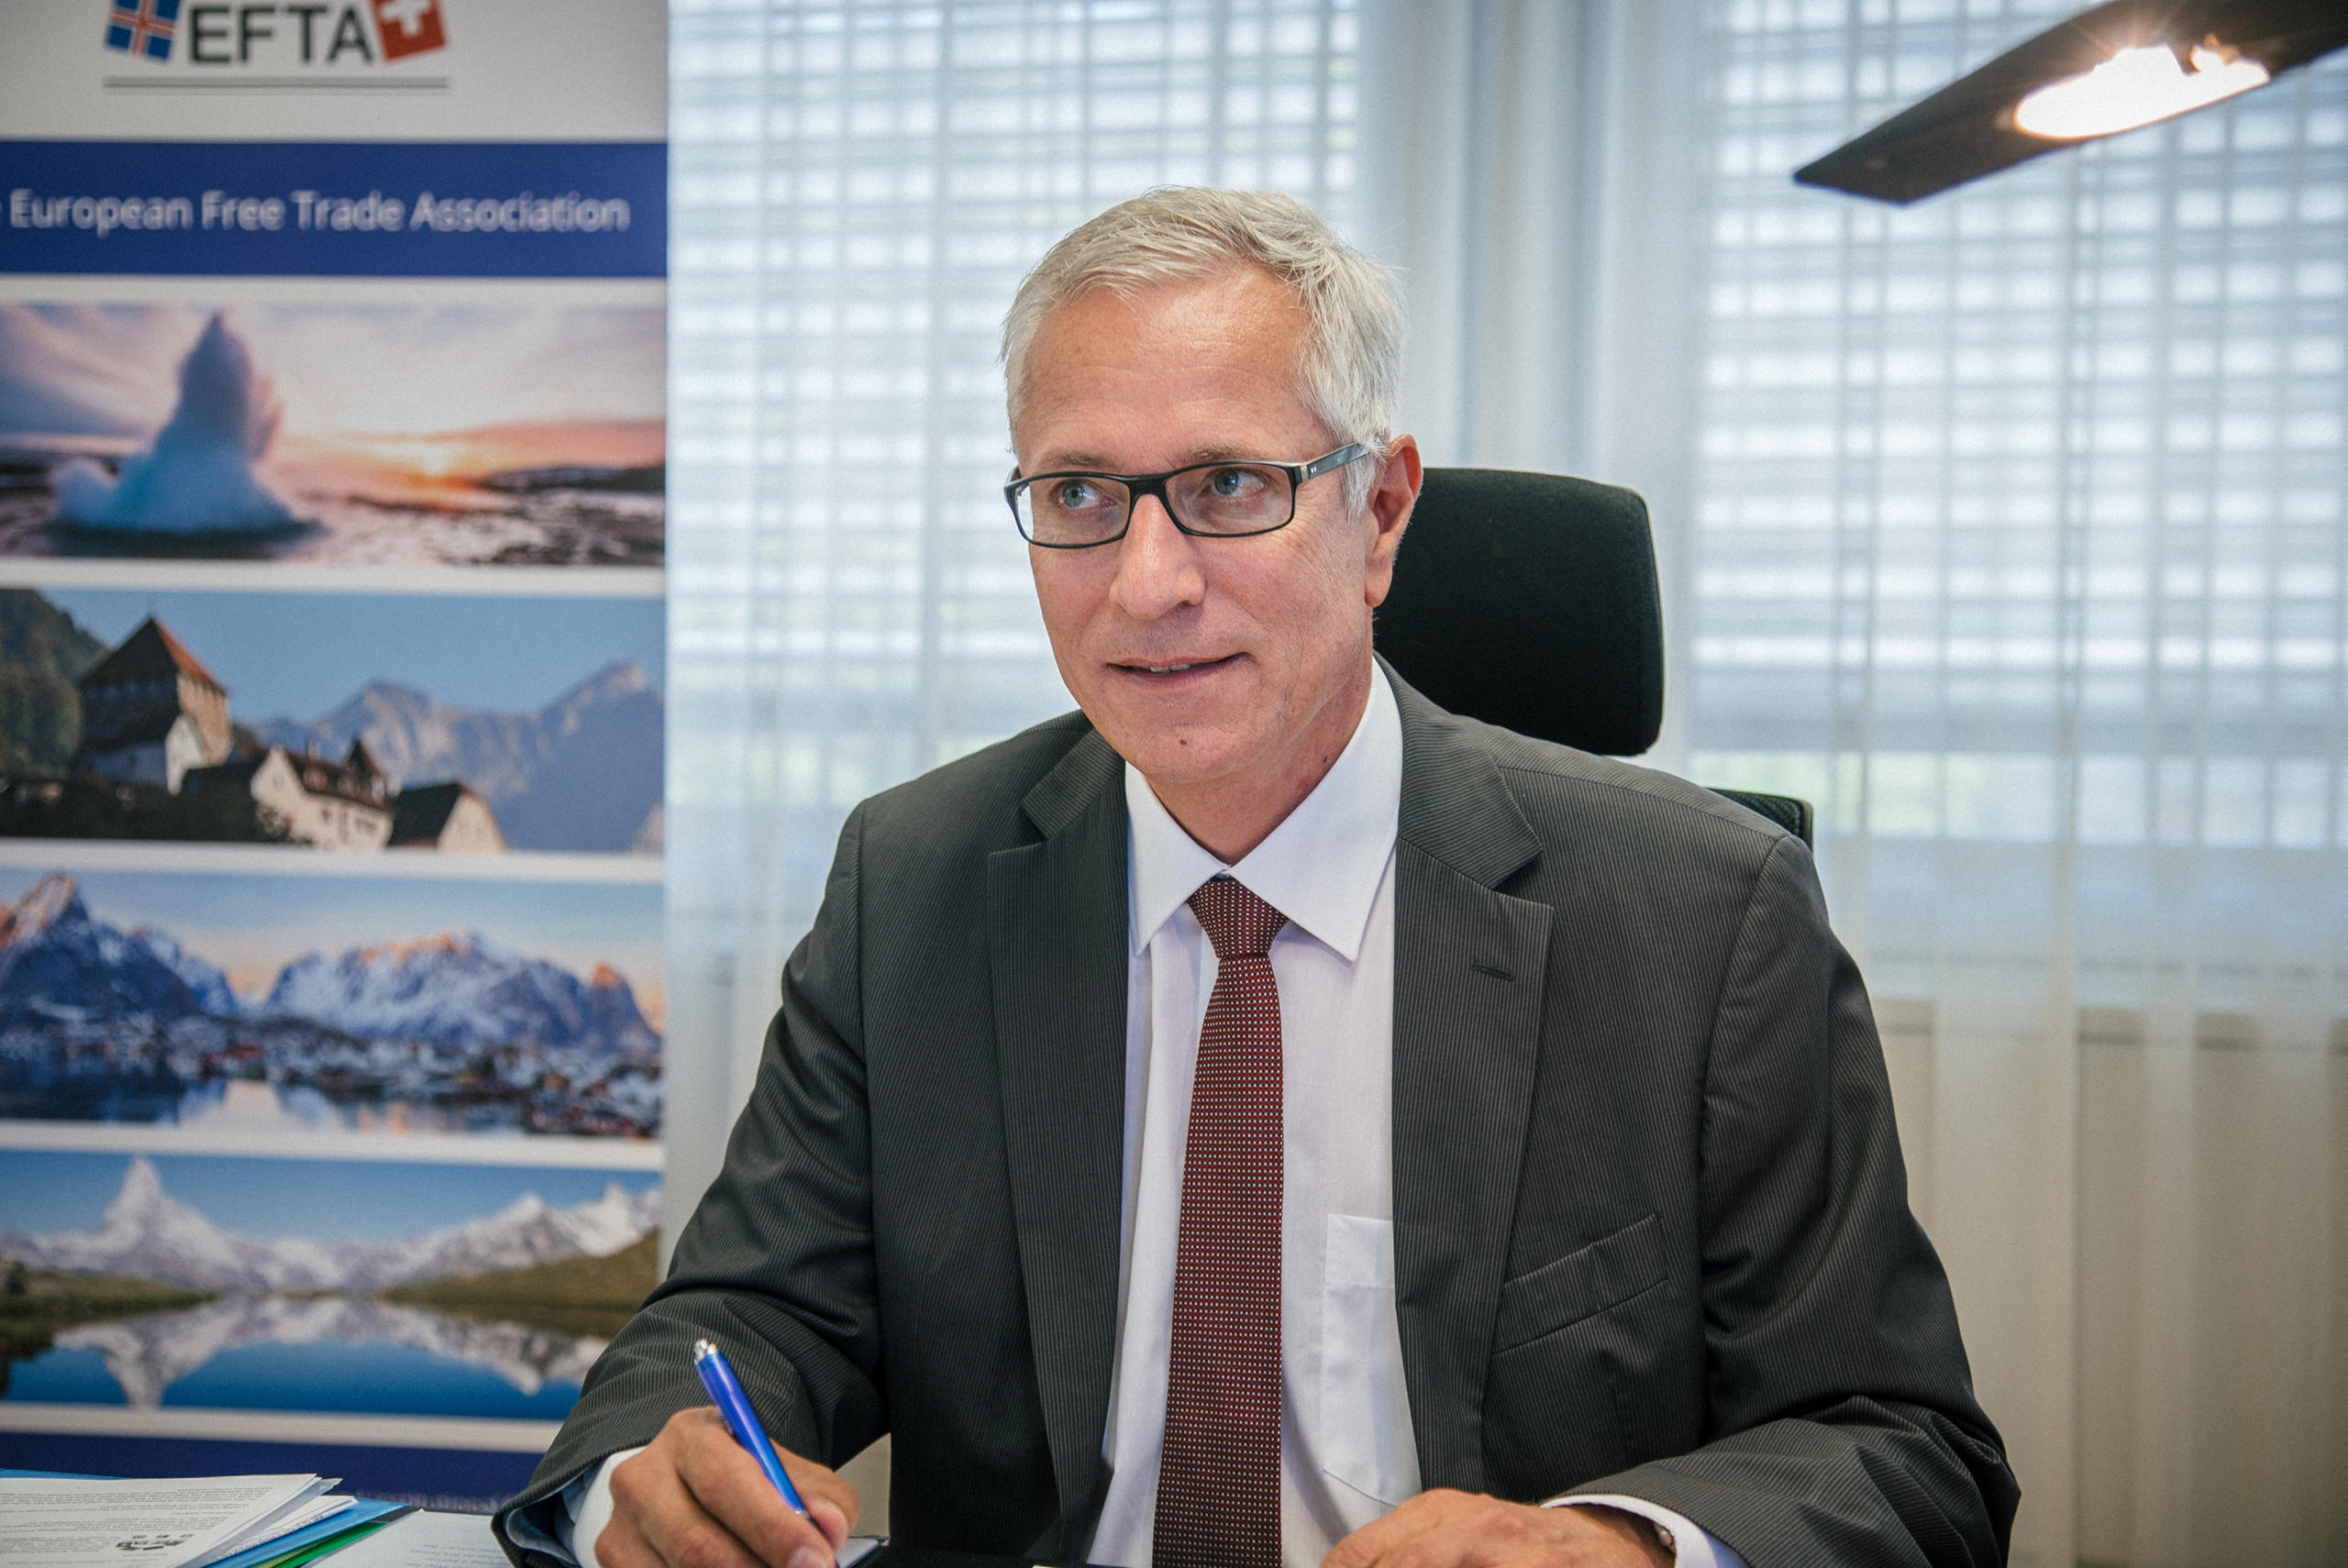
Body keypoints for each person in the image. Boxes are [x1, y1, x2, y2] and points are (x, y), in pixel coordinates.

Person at [496, 188, 2018, 1568]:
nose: (1147, 583)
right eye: (1082, 494)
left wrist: (1616, 1548)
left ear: (1383, 514)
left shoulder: (1701, 916)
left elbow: (1905, 1450)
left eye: (1228, 484)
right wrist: (650, 1472)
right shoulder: (919, 880)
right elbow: (743, 1315)